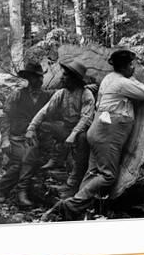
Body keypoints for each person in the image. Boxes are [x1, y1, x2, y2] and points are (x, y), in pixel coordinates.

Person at [42, 49, 144, 221]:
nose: (133, 68)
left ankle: (74, 211)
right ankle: (69, 206)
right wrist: (133, 77)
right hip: (108, 131)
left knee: (92, 173)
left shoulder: (109, 78)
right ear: (124, 67)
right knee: (108, 175)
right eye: (131, 65)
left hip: (98, 128)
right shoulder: (122, 82)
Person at [15, 59, 96, 206]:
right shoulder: (61, 93)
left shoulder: (86, 94)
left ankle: (73, 184)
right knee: (44, 126)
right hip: (66, 128)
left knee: (83, 138)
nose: (61, 78)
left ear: (74, 78)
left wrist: (73, 135)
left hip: (82, 131)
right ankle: (55, 157)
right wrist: (31, 128)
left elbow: (86, 119)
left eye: (65, 75)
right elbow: (44, 111)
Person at [0, 61, 52, 204]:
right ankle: (3, 191)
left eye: (40, 77)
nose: (39, 80)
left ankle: (14, 191)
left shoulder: (48, 97)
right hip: (16, 138)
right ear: (28, 78)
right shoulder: (17, 95)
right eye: (34, 77)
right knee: (21, 160)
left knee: (25, 157)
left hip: (36, 138)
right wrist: (5, 140)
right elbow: (5, 118)